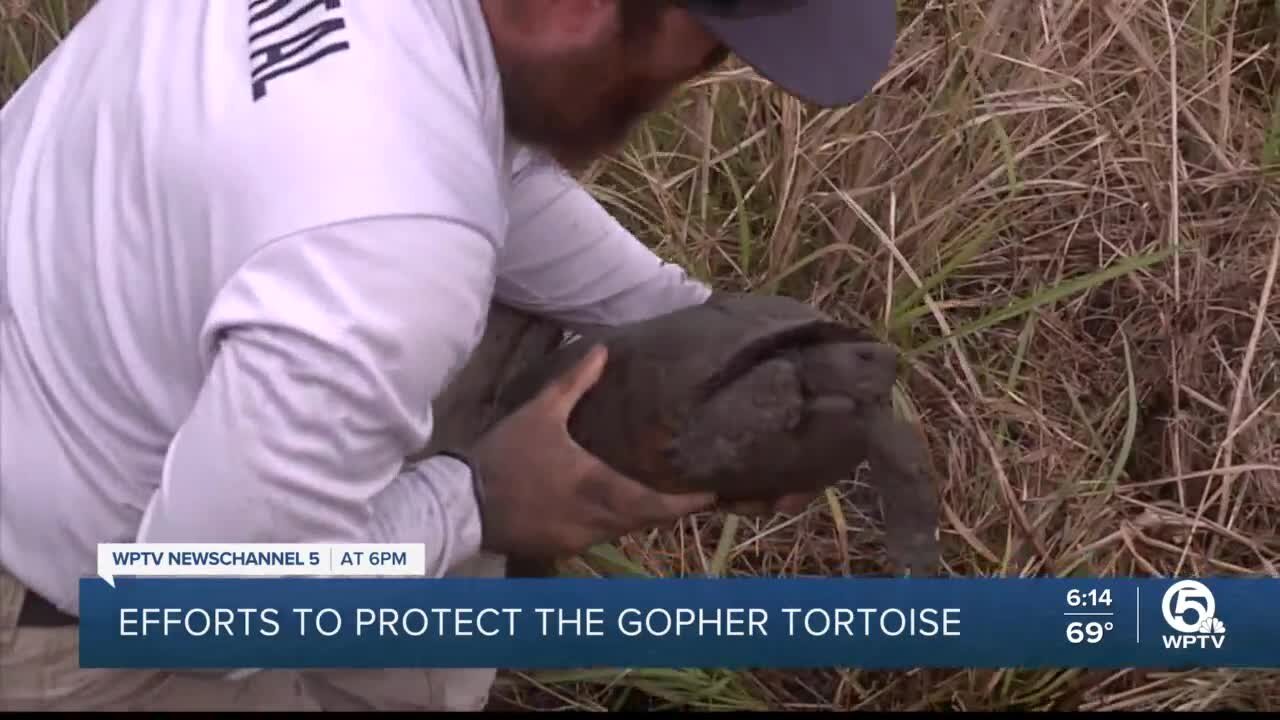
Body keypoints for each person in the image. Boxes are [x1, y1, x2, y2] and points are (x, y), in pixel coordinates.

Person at [0, 0, 897, 711]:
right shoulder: (385, 253)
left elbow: (481, 164)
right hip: (66, 619)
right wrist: (479, 501)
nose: (695, 77)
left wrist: (704, 330)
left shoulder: (414, 76)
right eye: (705, 49)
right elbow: (197, 619)